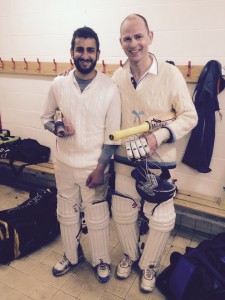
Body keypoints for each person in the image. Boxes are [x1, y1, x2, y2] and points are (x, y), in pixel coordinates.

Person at [110, 14, 198, 293]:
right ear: (121, 42)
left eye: (139, 36)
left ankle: (148, 265)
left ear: (150, 37)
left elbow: (189, 116)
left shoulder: (170, 74)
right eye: (127, 38)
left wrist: (159, 136)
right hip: (125, 160)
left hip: (160, 162)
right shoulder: (117, 77)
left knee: (161, 220)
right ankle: (130, 255)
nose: (133, 44)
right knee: (122, 212)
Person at [40, 26, 121, 283]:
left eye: (90, 50)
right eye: (80, 49)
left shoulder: (110, 88)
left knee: (96, 217)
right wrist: (58, 128)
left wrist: (100, 168)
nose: (85, 55)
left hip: (93, 168)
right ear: (72, 52)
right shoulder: (59, 84)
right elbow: (45, 117)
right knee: (65, 212)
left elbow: (113, 135)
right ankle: (70, 255)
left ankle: (101, 260)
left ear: (98, 53)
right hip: (63, 165)